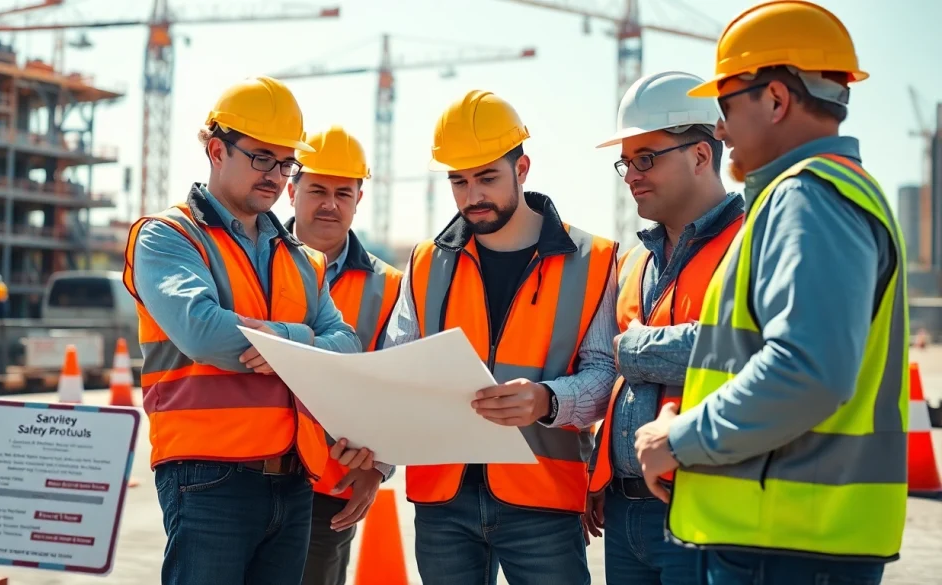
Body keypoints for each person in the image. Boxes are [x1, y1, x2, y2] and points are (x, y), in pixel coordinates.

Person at [633, 3, 909, 584]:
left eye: (726, 107)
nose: (723, 128)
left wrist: (680, 439)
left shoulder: (807, 198)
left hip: (786, 545)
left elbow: (807, 369)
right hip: (791, 538)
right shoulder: (822, 196)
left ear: (777, 100)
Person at [332, 89, 621, 585]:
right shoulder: (426, 262)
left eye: (487, 178)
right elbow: (396, 371)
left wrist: (547, 400)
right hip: (443, 503)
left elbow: (605, 374)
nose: (472, 197)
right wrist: (375, 462)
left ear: (522, 168)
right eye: (459, 182)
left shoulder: (592, 260)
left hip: (543, 500)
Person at [122, 76, 362, 585]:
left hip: (295, 478)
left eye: (286, 162)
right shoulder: (168, 236)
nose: (276, 174)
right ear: (215, 149)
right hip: (208, 476)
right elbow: (205, 334)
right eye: (261, 157)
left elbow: (347, 346)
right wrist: (306, 343)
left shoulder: (303, 259)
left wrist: (285, 341)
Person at [585, 70, 744, 585]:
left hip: (705, 507)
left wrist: (636, 350)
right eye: (625, 163)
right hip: (624, 509)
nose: (631, 174)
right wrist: (598, 472)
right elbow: (612, 375)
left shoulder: (750, 242)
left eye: (646, 158)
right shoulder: (633, 262)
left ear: (701, 155)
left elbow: (744, 348)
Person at [284, 125, 402, 585]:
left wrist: (378, 467)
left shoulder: (390, 287)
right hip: (245, 473)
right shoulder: (254, 263)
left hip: (332, 483)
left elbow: (398, 384)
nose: (329, 203)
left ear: (358, 200)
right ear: (292, 191)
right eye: (316, 190)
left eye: (342, 192)